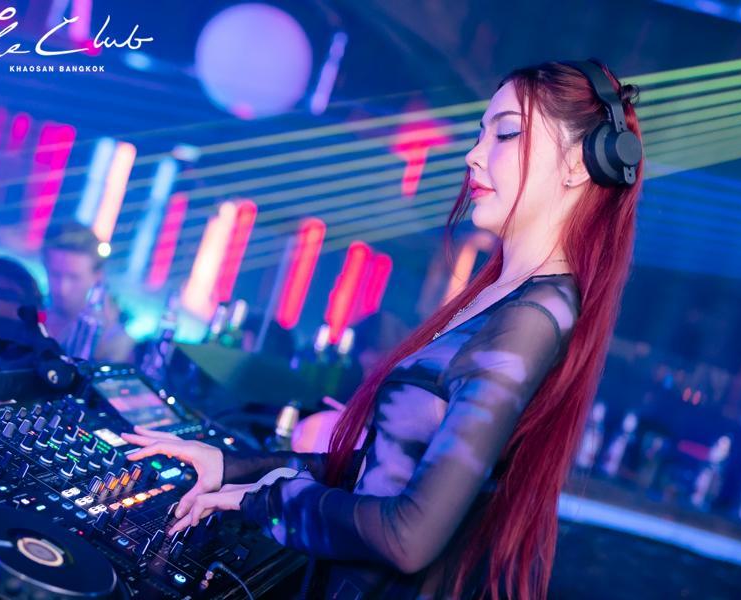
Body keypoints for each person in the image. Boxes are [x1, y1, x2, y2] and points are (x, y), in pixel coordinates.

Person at [121, 59, 644, 599]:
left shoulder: (529, 319)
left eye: (507, 134)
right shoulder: (505, 299)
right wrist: (235, 469)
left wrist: (268, 501)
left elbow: (408, 537)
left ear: (577, 164)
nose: (473, 154)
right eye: (480, 133)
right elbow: (386, 468)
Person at [41, 221, 135, 363]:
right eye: (55, 274)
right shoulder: (28, 311)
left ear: (97, 276)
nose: (62, 288)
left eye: (74, 277)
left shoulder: (115, 342)